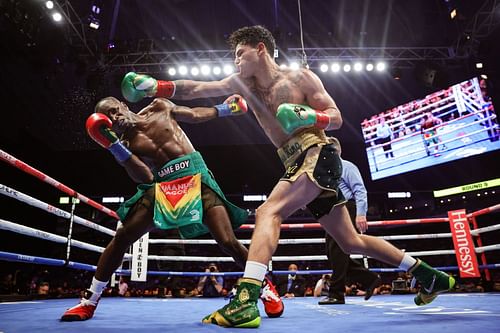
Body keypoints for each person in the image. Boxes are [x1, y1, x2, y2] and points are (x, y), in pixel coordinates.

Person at [121, 25, 456, 328]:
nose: (236, 61)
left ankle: (246, 300)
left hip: (318, 152)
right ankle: (430, 276)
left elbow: (336, 117)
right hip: (294, 162)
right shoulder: (244, 85)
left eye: (240, 53)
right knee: (350, 241)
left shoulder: (301, 79)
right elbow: (197, 88)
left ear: (260, 49)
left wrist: (309, 115)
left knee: (269, 211)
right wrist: (158, 86)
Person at [60, 96, 283, 321]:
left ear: (124, 106)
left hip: (196, 176)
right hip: (163, 186)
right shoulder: (125, 143)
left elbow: (193, 114)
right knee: (123, 236)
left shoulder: (159, 107)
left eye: (116, 111)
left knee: (227, 241)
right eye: (110, 119)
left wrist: (226, 109)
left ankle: (264, 288)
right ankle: (89, 300)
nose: (116, 118)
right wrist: (114, 146)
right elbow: (144, 176)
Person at [318, 137, 380, 305]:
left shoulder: (347, 166)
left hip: (347, 208)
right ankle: (369, 278)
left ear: (335, 151)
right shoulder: (326, 171)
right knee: (331, 253)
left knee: (338, 251)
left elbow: (360, 190)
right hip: (332, 211)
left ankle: (336, 293)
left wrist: (361, 214)